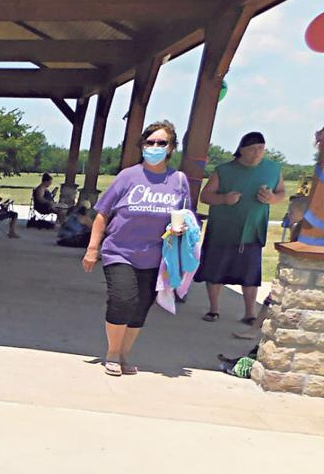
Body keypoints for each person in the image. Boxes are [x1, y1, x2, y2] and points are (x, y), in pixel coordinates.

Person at [83, 120, 190, 376]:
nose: (154, 147)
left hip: (156, 257)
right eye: (149, 142)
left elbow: (185, 215)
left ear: (171, 148)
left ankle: (123, 354)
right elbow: (102, 214)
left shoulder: (178, 180)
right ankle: (111, 352)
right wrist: (92, 248)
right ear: (142, 146)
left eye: (161, 143)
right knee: (123, 299)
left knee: (142, 306)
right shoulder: (128, 176)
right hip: (120, 251)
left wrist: (182, 229)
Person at [196, 131, 286, 324]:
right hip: (223, 230)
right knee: (215, 271)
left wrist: (272, 198)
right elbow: (205, 196)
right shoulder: (224, 170)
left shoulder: (273, 168)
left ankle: (250, 313)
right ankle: (213, 309)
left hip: (253, 230)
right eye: (252, 149)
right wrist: (224, 199)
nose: (257, 153)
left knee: (250, 274)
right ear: (241, 150)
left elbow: (281, 192)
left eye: (261, 149)